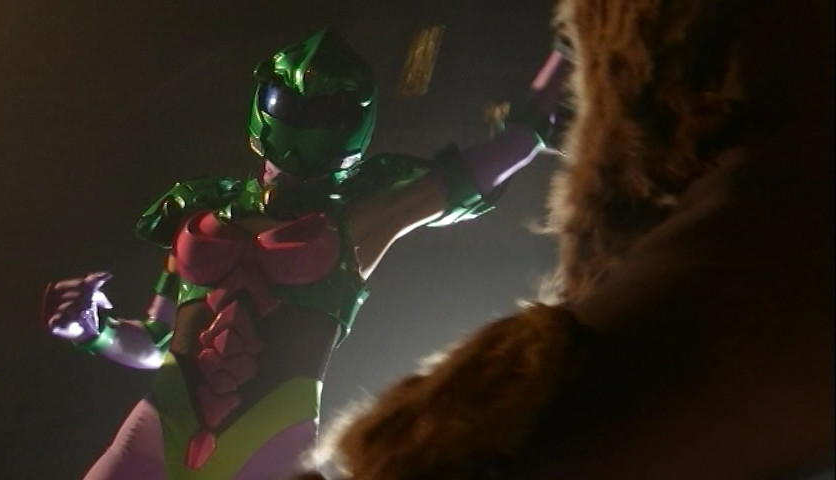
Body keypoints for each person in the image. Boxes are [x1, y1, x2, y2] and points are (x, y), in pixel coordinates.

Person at [41, 28, 548, 480]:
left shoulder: (357, 221)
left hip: (269, 450)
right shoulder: (200, 208)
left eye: (323, 111)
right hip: (158, 434)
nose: (304, 124)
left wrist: (544, 100)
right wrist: (93, 330)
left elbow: (470, 175)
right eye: (292, 104)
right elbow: (156, 341)